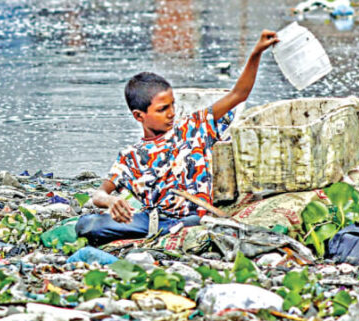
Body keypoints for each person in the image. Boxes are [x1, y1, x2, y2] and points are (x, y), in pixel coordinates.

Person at [77, 30, 279, 246]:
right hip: (153, 221)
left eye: (173, 105)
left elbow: (238, 94)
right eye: (163, 109)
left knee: (193, 221)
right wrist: (111, 201)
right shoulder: (131, 157)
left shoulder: (193, 127)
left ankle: (174, 230)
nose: (172, 113)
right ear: (139, 116)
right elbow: (99, 194)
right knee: (86, 225)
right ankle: (164, 231)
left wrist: (256, 53)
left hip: (193, 217)